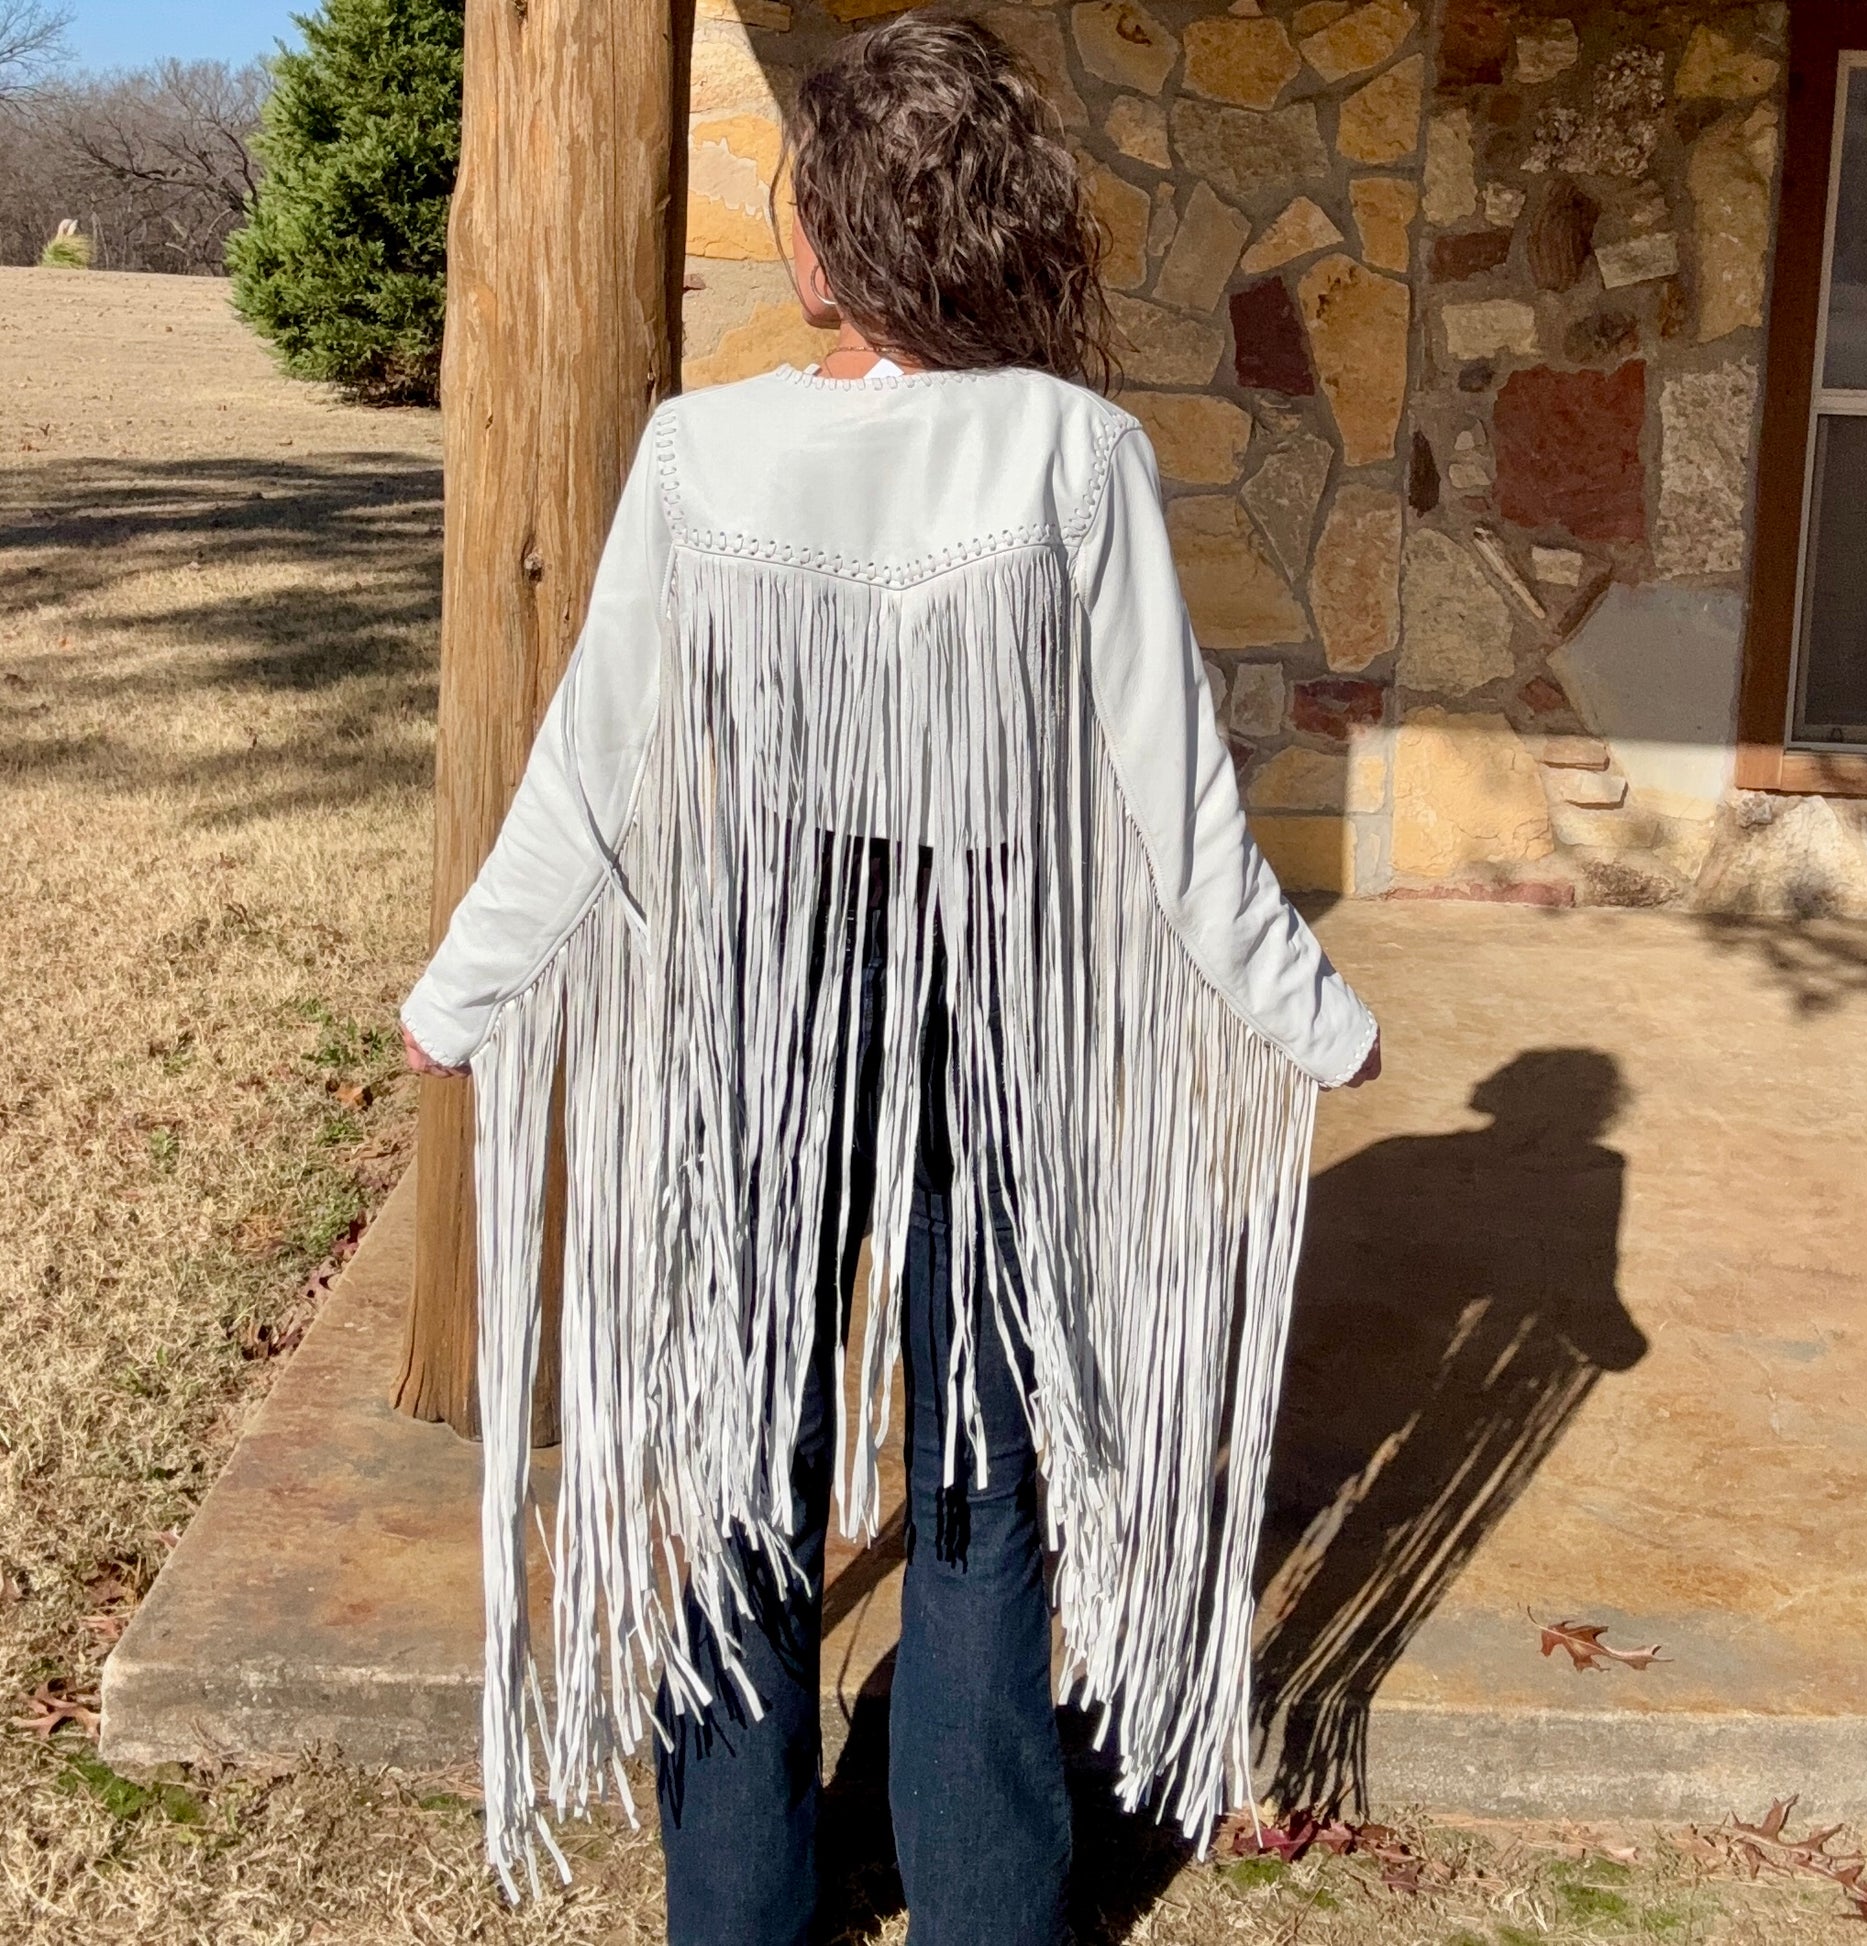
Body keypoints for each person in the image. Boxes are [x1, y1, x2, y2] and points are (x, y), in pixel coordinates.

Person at [400, 13, 1379, 1943]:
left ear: (844, 232)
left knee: (738, 1431)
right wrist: (1308, 1009)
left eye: (803, 200)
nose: (791, 232)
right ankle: (988, 1899)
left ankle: (737, 1900)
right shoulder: (1073, 453)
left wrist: (462, 988)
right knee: (981, 1461)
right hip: (995, 990)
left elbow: (591, 772)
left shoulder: (707, 451)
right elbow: (1173, 806)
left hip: (765, 982)